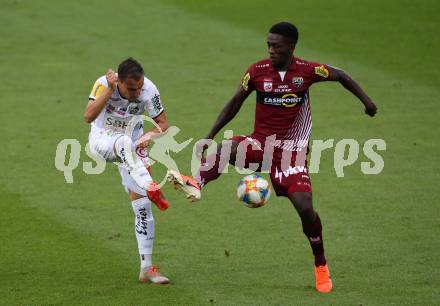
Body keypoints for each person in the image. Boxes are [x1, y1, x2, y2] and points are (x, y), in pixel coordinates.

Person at [167, 22, 377, 293]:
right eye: (268, 44)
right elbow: (234, 104)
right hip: (259, 145)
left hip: (291, 153)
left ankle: (321, 265)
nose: (271, 50)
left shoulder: (308, 70)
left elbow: (342, 75)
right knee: (228, 147)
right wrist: (208, 136)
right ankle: (196, 183)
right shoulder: (257, 72)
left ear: (291, 46)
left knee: (305, 207)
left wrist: (367, 102)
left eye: (276, 45)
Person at [84, 57, 171, 284]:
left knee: (143, 209)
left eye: (139, 87)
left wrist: (148, 136)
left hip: (133, 147)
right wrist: (109, 90)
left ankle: (146, 269)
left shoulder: (148, 89)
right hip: (103, 140)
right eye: (132, 89)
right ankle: (150, 185)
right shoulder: (104, 83)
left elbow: (163, 123)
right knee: (122, 141)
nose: (137, 93)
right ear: (120, 82)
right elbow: (88, 116)